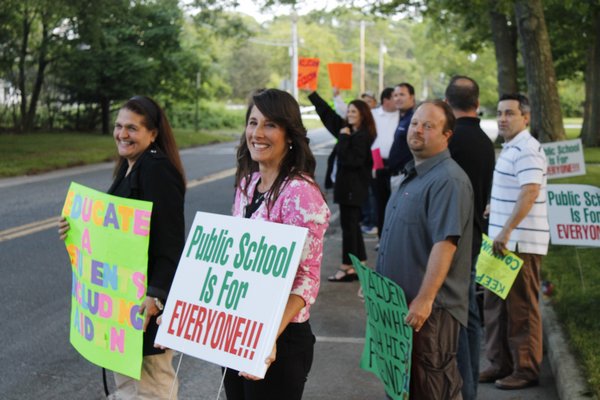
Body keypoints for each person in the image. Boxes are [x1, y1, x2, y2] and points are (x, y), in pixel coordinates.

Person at [58, 95, 186, 399]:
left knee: (152, 389)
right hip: (122, 306)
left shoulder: (157, 169)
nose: (122, 134)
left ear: (152, 133)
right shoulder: (130, 167)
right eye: (118, 126)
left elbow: (171, 240)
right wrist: (74, 229)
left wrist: (156, 297)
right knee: (128, 389)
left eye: (132, 128)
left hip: (146, 307)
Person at [225, 88, 330, 400]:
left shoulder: (300, 194)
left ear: (290, 134)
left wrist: (268, 333)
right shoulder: (247, 185)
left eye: (269, 124)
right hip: (239, 329)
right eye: (252, 122)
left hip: (281, 338)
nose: (257, 133)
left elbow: (307, 280)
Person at [376, 100, 473, 399]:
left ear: (447, 135)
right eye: (415, 123)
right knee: (404, 389)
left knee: (432, 389)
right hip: (398, 307)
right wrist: (376, 283)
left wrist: (425, 298)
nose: (418, 129)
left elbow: (445, 244)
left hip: (430, 312)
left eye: (428, 126)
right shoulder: (414, 174)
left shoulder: (448, 180)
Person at [479, 93, 550, 390]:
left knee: (521, 310)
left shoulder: (528, 149)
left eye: (510, 113)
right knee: (494, 308)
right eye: (499, 112)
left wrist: (507, 230)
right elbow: (515, 189)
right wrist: (495, 208)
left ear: (526, 117)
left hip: (518, 244)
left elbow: (530, 192)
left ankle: (525, 369)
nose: (503, 118)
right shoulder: (511, 147)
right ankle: (500, 363)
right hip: (500, 243)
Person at [445, 76, 496, 400]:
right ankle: (470, 386)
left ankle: (465, 388)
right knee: (472, 316)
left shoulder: (452, 143)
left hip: (455, 244)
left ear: (448, 103)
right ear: (477, 103)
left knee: (460, 317)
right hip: (476, 235)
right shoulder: (484, 141)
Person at [308, 90, 376, 282]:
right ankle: (360, 262)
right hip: (348, 188)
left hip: (352, 189)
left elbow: (351, 161)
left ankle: (347, 267)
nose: (350, 115)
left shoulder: (361, 136)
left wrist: (344, 138)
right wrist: (314, 95)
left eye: (355, 112)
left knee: (349, 228)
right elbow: (329, 117)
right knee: (353, 227)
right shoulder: (350, 131)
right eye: (349, 111)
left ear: (364, 114)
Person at [371, 87, 400, 239]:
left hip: (396, 163)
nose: (398, 99)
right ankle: (381, 237)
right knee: (380, 202)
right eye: (395, 96)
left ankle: (394, 237)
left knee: (396, 202)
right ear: (386, 100)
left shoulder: (402, 116)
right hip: (377, 161)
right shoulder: (373, 114)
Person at [387, 82, 416, 192]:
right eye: (395, 95)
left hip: (406, 177)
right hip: (396, 176)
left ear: (411, 97)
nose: (398, 98)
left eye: (402, 95)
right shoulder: (401, 119)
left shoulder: (414, 120)